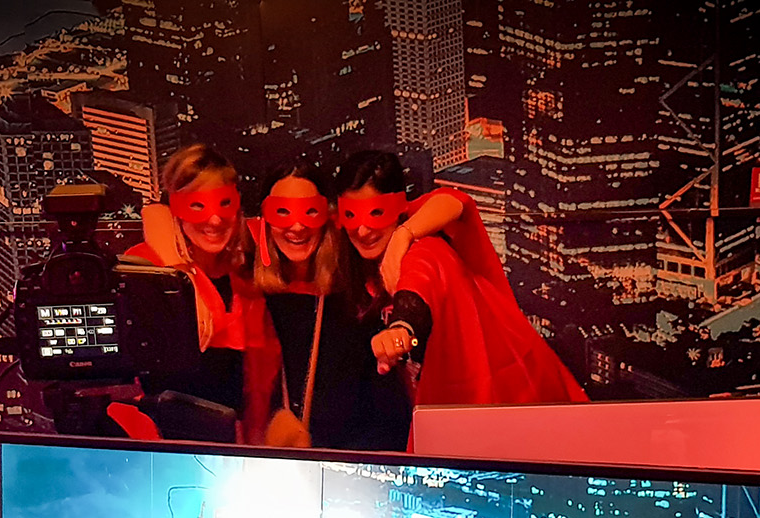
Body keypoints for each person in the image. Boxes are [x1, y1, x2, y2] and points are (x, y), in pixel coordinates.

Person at [331, 151, 589, 431]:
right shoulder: (364, 273)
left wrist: (401, 329)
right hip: (468, 410)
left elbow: (450, 212)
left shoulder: (425, 250)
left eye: (376, 213)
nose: (363, 229)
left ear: (400, 207)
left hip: (513, 401)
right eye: (351, 215)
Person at [250, 160, 411, 450]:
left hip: (349, 461)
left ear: (328, 215)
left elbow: (385, 413)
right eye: (282, 211)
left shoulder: (353, 291)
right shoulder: (246, 282)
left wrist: (404, 235)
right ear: (264, 219)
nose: (297, 226)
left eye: (310, 211)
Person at [129, 144, 277, 441]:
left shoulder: (247, 274)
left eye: (224, 204)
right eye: (197, 205)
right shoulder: (144, 269)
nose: (214, 220)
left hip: (235, 448)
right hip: (160, 449)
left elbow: (257, 384)